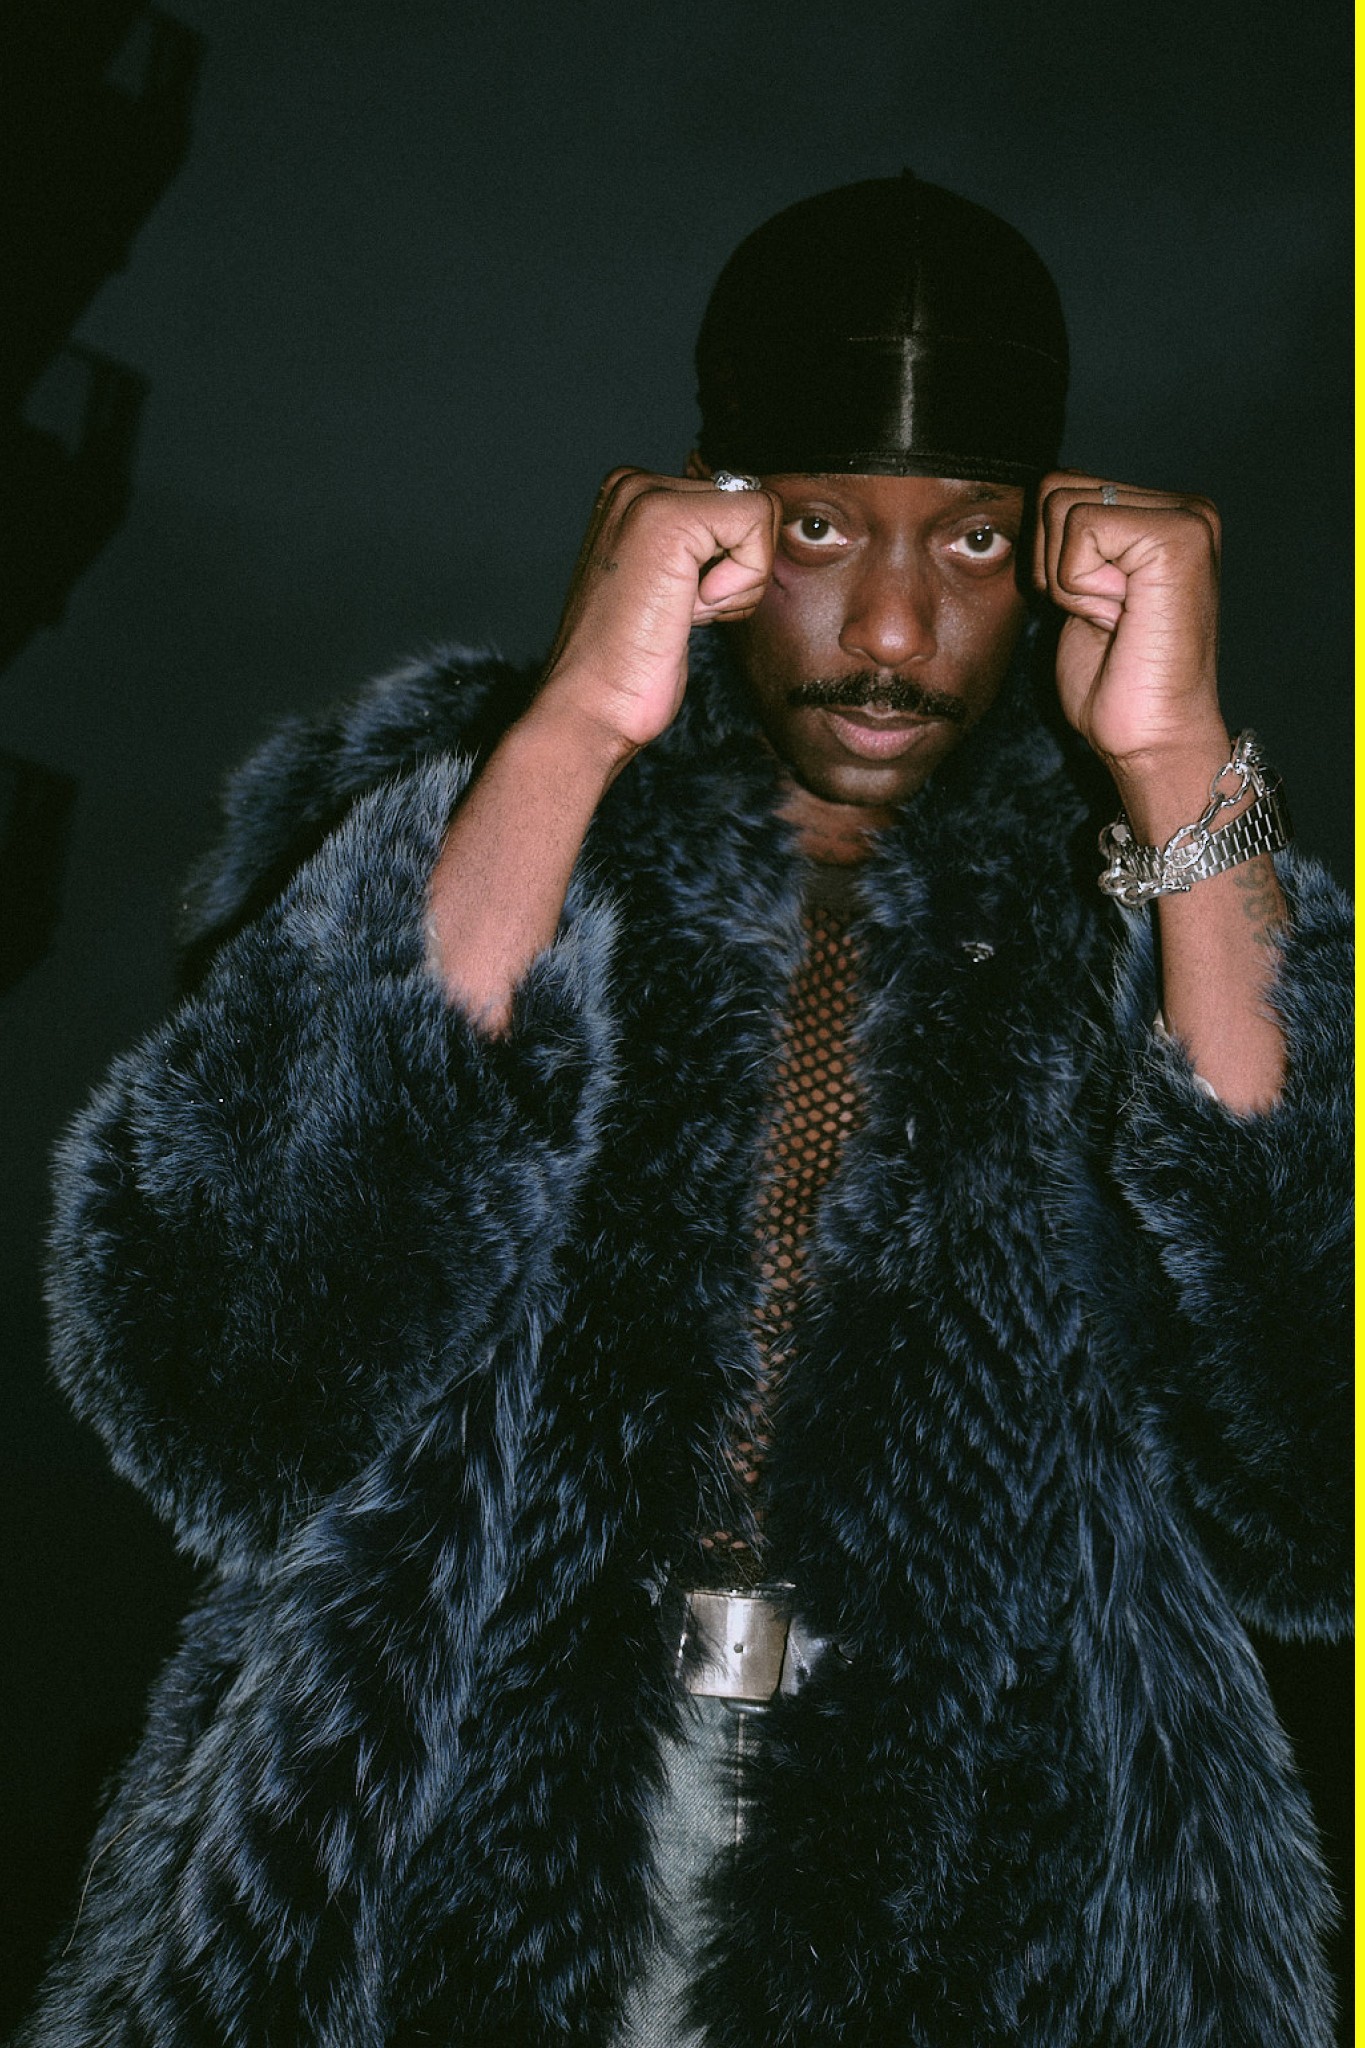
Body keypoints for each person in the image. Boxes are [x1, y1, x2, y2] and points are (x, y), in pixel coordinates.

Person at [21, 173, 1349, 2047]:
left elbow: (1318, 1479)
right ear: (710, 524)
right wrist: (570, 726)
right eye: (819, 526)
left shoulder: (1153, 911)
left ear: (1055, 553)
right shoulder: (468, 815)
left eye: (971, 540)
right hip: (423, 1861)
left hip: (992, 1900)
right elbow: (226, 1383)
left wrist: (1181, 762)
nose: (893, 624)